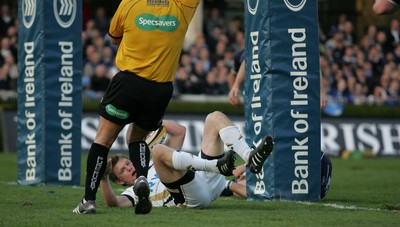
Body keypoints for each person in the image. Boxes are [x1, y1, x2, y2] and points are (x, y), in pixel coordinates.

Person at [73, 0, 204, 214]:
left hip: (129, 83)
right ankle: (142, 176)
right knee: (137, 138)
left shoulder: (130, 3)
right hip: (160, 90)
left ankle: (88, 200)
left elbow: (114, 38)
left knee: (103, 140)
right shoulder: (183, 5)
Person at [100, 111, 273, 209]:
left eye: (128, 163)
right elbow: (113, 203)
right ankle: (216, 166)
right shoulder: (133, 193)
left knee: (214, 117)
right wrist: (103, 178)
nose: (130, 168)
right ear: (121, 182)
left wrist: (150, 120)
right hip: (191, 196)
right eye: (123, 170)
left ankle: (250, 156)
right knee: (159, 150)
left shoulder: (152, 165)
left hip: (206, 178)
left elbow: (179, 131)